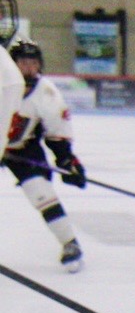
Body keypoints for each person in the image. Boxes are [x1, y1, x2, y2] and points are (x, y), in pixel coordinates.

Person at [2, 38, 87, 271]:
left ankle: (70, 243)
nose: (29, 68)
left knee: (41, 192)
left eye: (33, 63)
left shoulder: (46, 92)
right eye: (23, 63)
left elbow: (56, 132)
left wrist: (67, 160)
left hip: (23, 148)